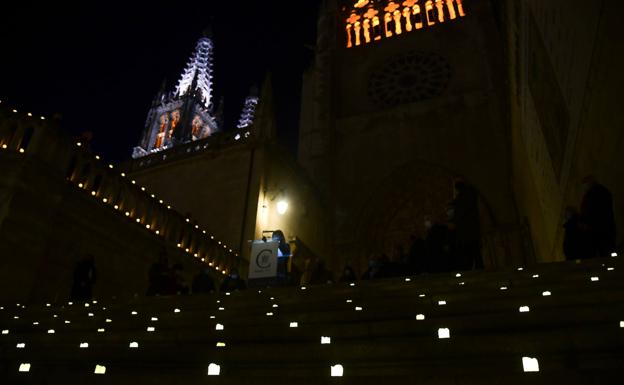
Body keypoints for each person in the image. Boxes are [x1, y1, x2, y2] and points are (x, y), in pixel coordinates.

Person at [580, 176, 616, 258]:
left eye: (585, 185)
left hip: (600, 228)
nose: (584, 188)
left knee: (604, 251)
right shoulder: (597, 193)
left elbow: (596, 211)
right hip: (601, 229)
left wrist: (587, 223)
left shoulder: (596, 193)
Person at [450, 180, 483, 270]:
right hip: (473, 230)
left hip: (466, 232)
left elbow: (459, 215)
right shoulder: (471, 196)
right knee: (476, 252)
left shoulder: (461, 201)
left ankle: (471, 269)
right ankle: (478, 268)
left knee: (469, 253)